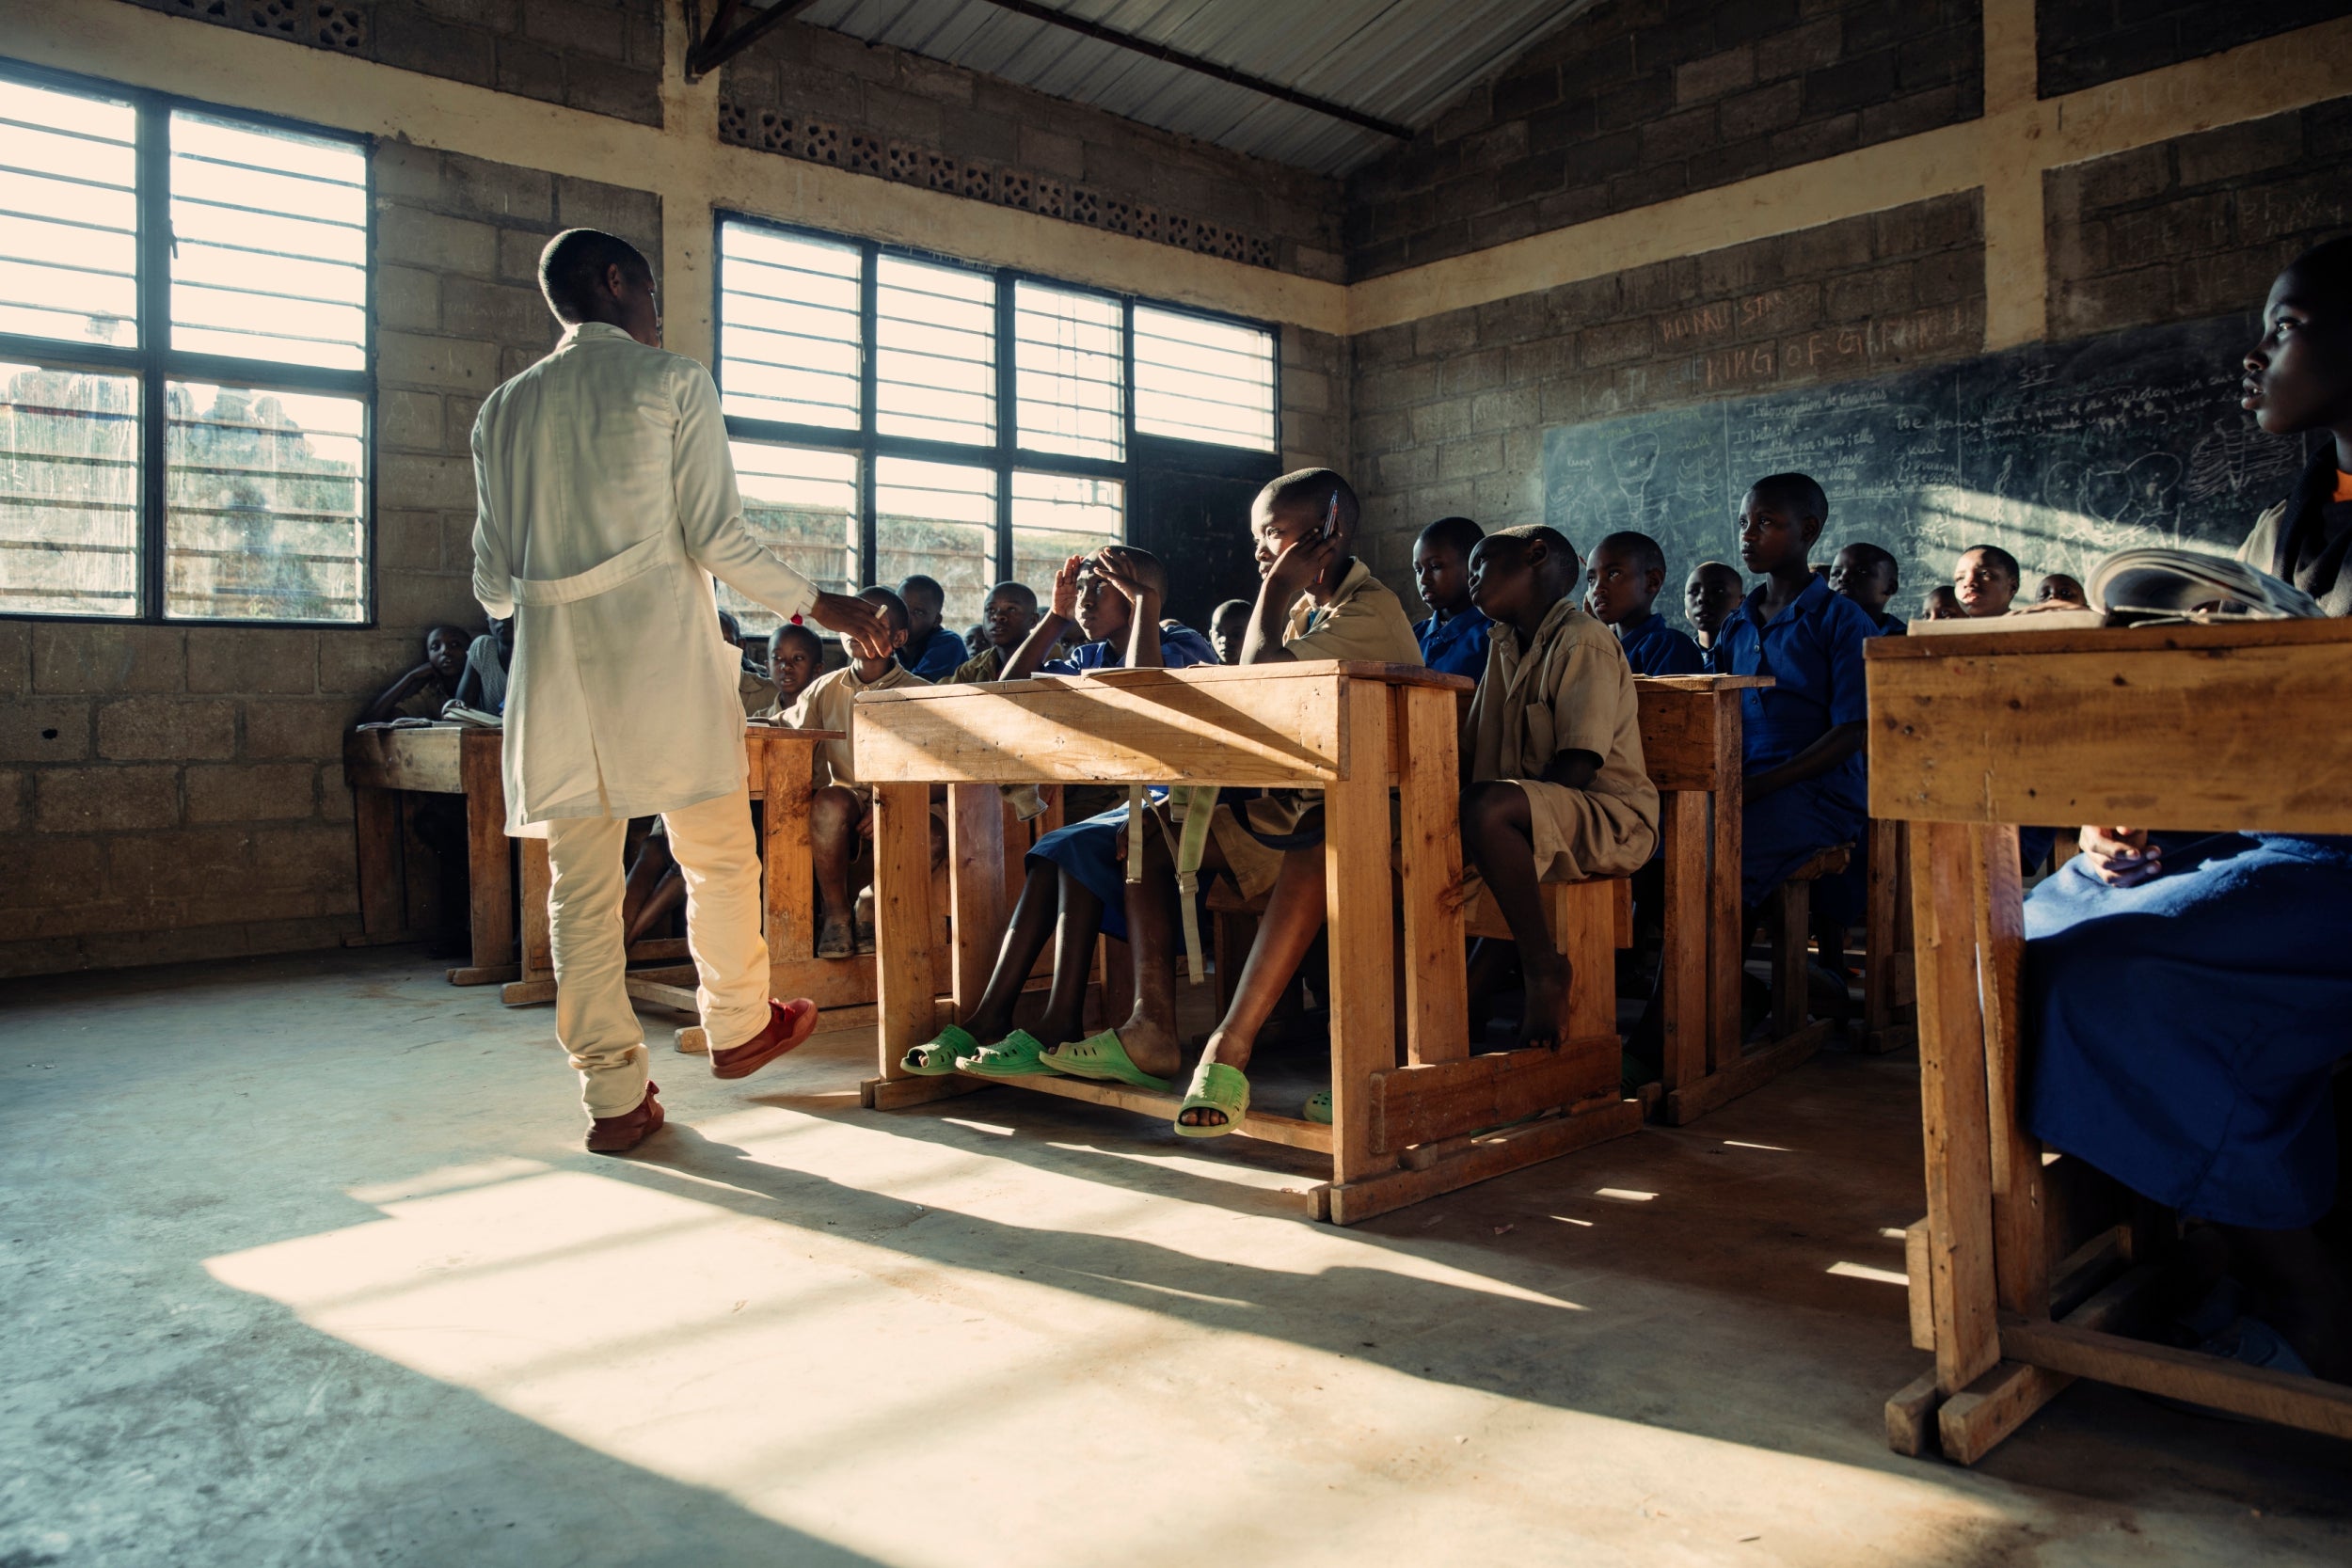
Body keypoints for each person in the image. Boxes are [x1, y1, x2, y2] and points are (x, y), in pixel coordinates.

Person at [470, 227, 890, 1153]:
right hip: (658, 656)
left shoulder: (501, 408)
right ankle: (739, 1024)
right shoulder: (672, 381)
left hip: (554, 675)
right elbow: (719, 538)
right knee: (713, 854)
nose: (658, 313)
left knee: (578, 891)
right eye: (652, 291)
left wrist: (553, 589)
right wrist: (828, 606)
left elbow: (490, 581)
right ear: (616, 282)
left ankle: (613, 1098)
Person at [2025, 238, 2352, 1382]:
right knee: (2033, 923)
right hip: (2277, 842)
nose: (2253, 356)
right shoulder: (2280, 532)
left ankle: (2305, 1298)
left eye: (2287, 326)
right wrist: (2153, 816)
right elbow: (2230, 735)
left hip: (2340, 863)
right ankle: (2190, 1239)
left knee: (2110, 972)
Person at [1025, 469, 1422, 1133]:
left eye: (1274, 532)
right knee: (1148, 832)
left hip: (1383, 816)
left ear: (1331, 532)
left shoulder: (1367, 610)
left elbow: (1261, 679)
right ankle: (1151, 1026)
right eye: (1257, 537)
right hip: (1302, 805)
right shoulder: (1305, 608)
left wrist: (1273, 585)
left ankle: (1229, 1045)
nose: (1262, 549)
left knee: (1321, 831)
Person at [898, 546, 1217, 1079]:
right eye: (1084, 590)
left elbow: (1144, 686)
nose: (1087, 600)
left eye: (1100, 589)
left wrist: (1146, 608)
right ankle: (1007, 1014)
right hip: (1137, 807)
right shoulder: (1091, 655)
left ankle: (1046, 1016)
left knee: (1068, 845)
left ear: (1142, 596)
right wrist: (1056, 617)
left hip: (1192, 804)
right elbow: (1010, 689)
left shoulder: (1181, 642)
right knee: (1053, 851)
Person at [1459, 526, 1660, 1049]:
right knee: (1441, 823)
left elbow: (1578, 765)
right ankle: (1461, 1003)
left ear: (1536, 555)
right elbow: (1470, 754)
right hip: (1538, 813)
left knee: (1486, 810)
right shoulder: (1503, 646)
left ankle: (1543, 969)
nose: (1470, 578)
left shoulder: (1584, 638)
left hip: (1607, 817)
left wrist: (1509, 817)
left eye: (1481, 563)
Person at [1708, 474, 1876, 934]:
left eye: (1765, 522)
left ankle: (1711, 1000)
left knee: (1723, 853)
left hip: (1820, 793)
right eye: (1743, 521)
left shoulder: (1842, 620)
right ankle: (1717, 990)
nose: (1747, 534)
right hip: (1746, 785)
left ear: (1807, 531)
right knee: (1671, 846)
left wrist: (1762, 785)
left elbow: (1852, 731)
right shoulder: (1736, 625)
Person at [781, 587, 927, 958]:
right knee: (828, 801)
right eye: (851, 622)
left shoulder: (923, 694)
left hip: (905, 803)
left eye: (874, 626)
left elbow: (944, 769)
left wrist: (891, 802)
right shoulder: (824, 689)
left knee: (935, 836)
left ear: (898, 638)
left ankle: (870, 901)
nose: (859, 632)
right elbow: (784, 728)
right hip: (848, 804)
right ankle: (836, 915)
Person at [1586, 530, 1705, 674]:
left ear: (1652, 582)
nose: (1597, 589)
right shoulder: (1603, 650)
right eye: (1591, 579)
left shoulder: (1668, 647)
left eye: (1613, 574)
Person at [1410, 515, 1492, 678]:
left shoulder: (1493, 634)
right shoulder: (1414, 636)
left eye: (1435, 566)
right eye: (1418, 570)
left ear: (1473, 566)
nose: (1423, 579)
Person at [360, 624, 469, 723]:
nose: (445, 651)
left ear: (470, 651)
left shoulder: (483, 687)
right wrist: (410, 677)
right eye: (435, 647)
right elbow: (369, 722)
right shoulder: (432, 692)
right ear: (428, 657)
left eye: (455, 645)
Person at [949, 581, 1041, 684]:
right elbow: (939, 693)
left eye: (1011, 609)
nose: (998, 616)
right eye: (990, 609)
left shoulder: (1051, 657)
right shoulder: (974, 667)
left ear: (1033, 621)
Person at [897, 574, 969, 680]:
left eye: (918, 612)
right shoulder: (890, 642)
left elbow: (914, 688)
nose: (906, 618)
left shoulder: (948, 643)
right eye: (901, 607)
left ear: (936, 620)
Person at [1828, 542, 1906, 635]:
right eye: (1836, 573)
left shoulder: (1908, 640)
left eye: (1861, 571)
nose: (1843, 578)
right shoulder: (1814, 633)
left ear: (1890, 587)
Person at [453, 617, 513, 713]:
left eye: (512, 611)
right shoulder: (484, 647)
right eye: (495, 612)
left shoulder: (540, 653)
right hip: (488, 727)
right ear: (488, 621)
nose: (504, 619)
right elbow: (461, 709)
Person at [1683, 561, 1744, 651]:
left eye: (1718, 591)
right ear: (1686, 610)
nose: (1702, 598)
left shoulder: (1752, 656)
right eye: (1694, 592)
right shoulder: (1679, 658)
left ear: (1741, 603)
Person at [1953, 544, 2021, 617]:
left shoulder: (2028, 626)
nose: (1968, 583)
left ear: (2013, 587)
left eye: (1984, 573)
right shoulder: (1947, 628)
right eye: (1960, 578)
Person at [1209, 598, 1253, 665]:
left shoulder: (1264, 671)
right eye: (1220, 633)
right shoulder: (1202, 671)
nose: (1226, 641)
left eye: (1236, 635)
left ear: (1254, 637)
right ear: (1210, 634)